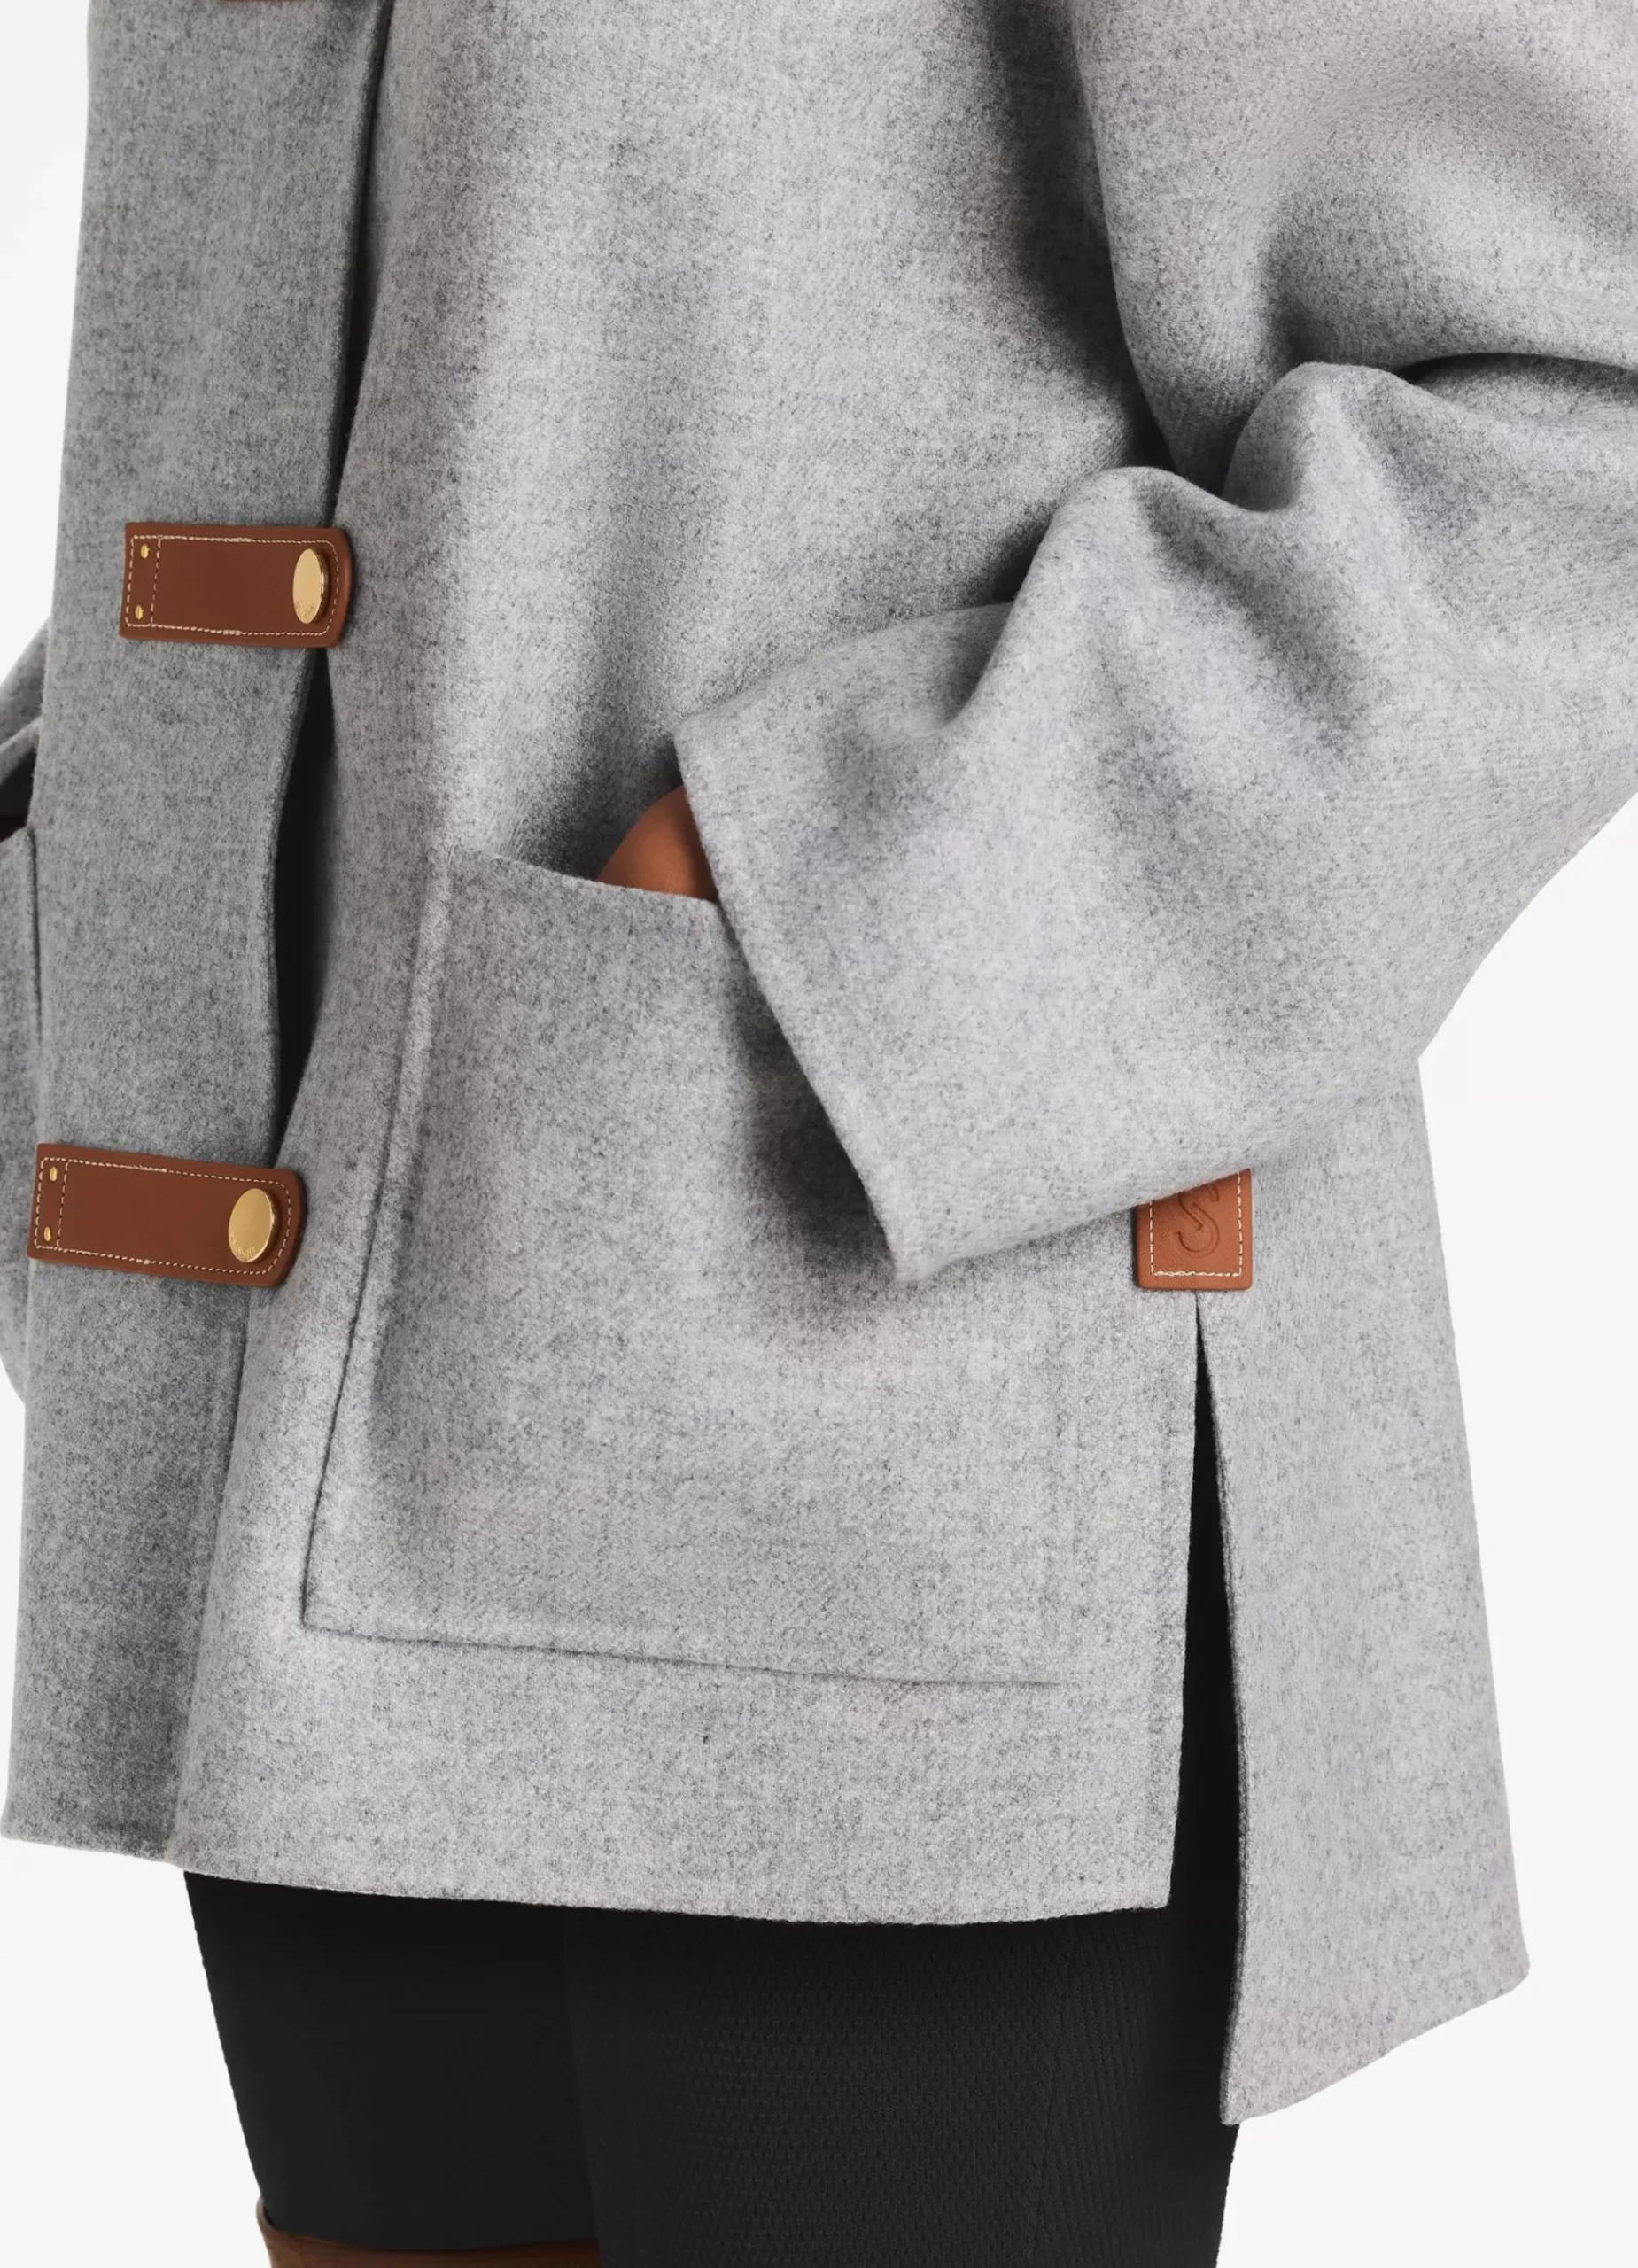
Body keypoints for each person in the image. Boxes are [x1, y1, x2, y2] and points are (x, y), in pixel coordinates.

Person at [3, 4, 1634, 2261]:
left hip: (897, 1455)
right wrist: (85, 856)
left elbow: (1580, 401)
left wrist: (832, 909)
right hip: (308, 1423)